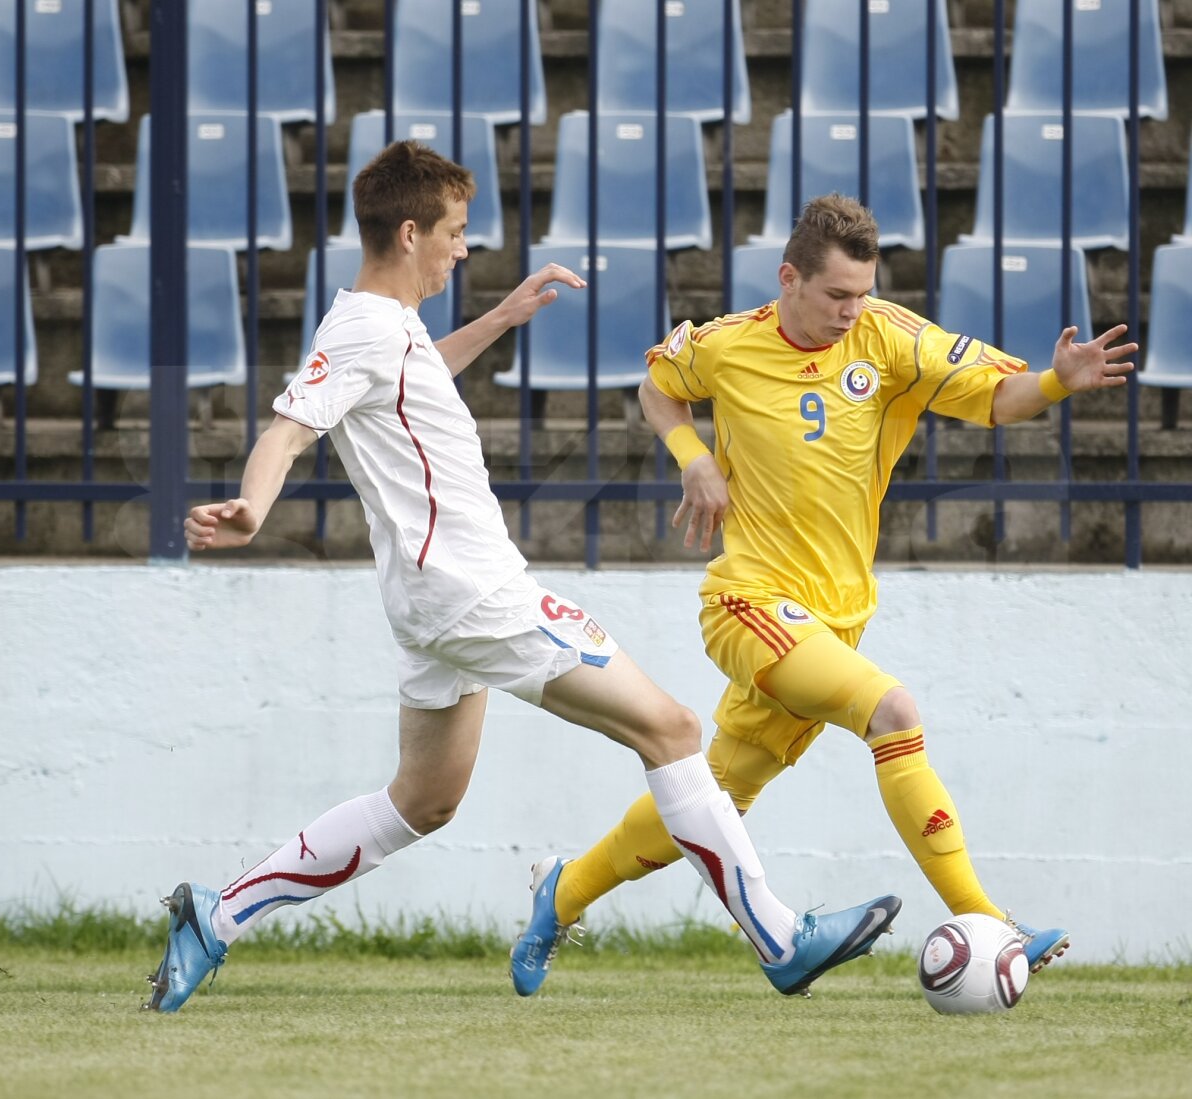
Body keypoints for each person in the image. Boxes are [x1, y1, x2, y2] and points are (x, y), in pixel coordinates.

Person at [145, 148, 901, 1013]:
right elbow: (287, 429)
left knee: (423, 801)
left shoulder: (386, 330)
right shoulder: (360, 329)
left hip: (430, 603)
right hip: (477, 593)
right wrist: (250, 505)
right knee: (674, 726)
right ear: (408, 232)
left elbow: (413, 373)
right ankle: (779, 937)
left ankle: (218, 915)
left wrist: (500, 320)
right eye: (455, 235)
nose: (462, 251)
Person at [512, 192, 1137, 996]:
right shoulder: (726, 344)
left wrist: (1055, 380)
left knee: (710, 801)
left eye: (863, 293)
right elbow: (657, 385)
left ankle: (557, 895)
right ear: (789, 279)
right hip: (747, 602)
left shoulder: (892, 338)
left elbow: (996, 396)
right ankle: (990, 921)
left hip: (834, 620)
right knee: (895, 712)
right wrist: (690, 455)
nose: (852, 310)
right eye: (837, 294)